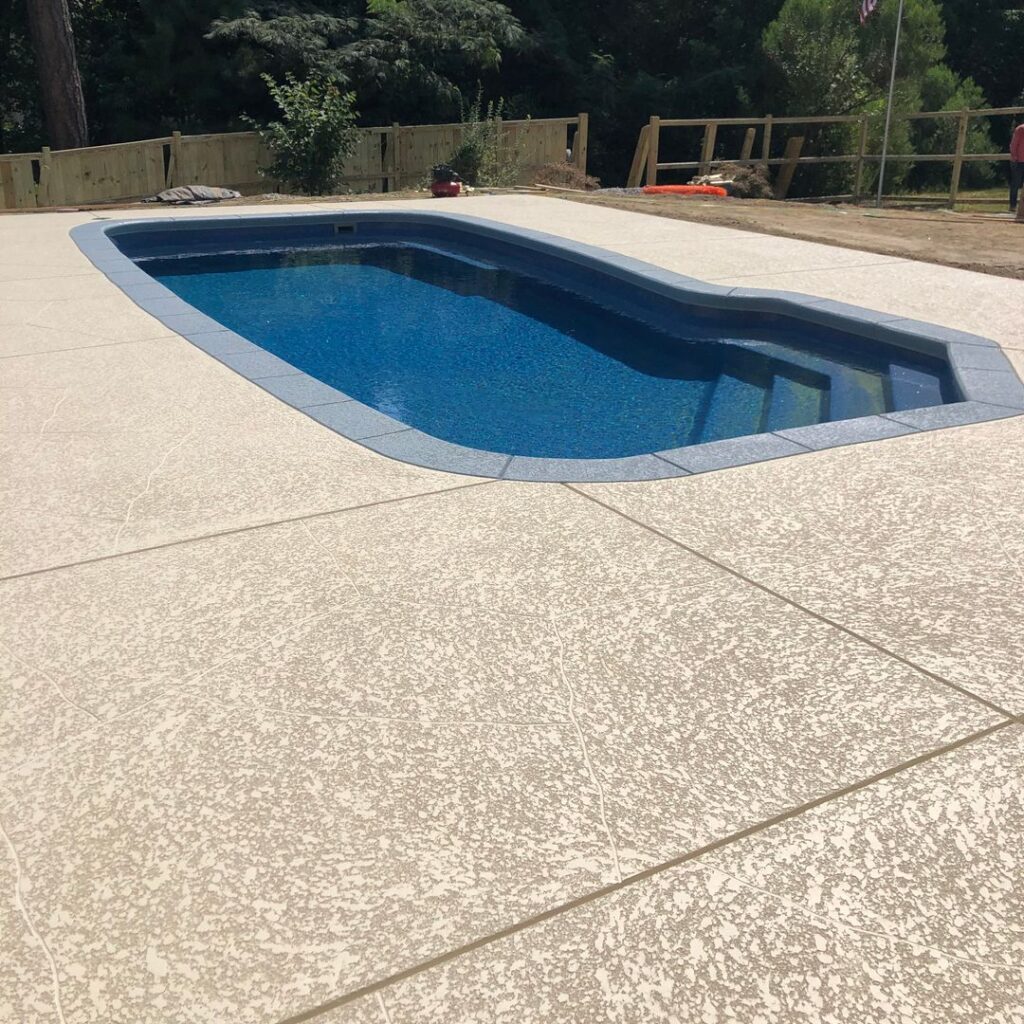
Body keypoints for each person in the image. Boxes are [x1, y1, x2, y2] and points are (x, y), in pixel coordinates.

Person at [1011, 117, 1024, 213]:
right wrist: (1014, 157)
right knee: (1015, 184)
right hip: (1019, 160)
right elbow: (1014, 144)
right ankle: (1013, 206)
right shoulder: (1020, 129)